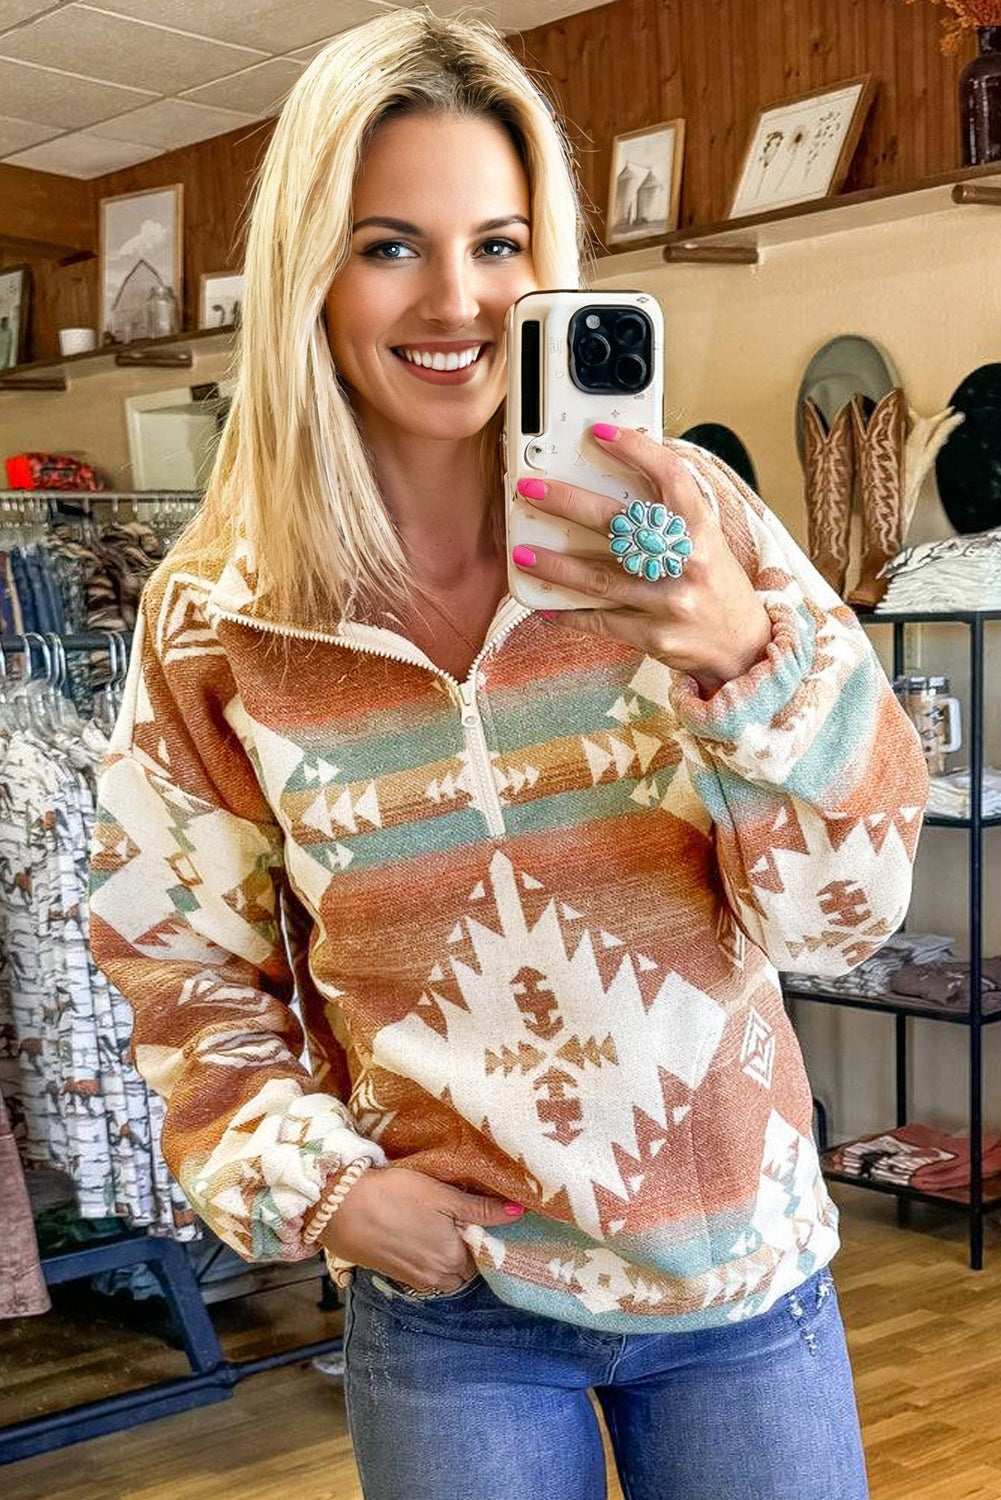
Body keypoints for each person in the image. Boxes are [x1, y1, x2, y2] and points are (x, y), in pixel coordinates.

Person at [89, 11, 928, 1499]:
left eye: (499, 242)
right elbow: (177, 958)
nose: (457, 299)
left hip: (738, 1279)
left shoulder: (695, 525)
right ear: (308, 274)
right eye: (388, 246)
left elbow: (841, 922)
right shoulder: (221, 617)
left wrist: (742, 660)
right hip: (454, 1306)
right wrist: (323, 1190)